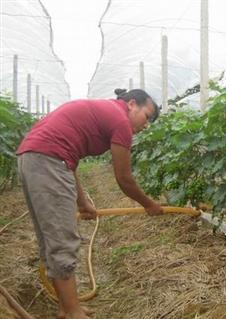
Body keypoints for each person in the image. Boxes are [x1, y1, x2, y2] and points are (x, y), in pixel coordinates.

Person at [16, 88, 164, 319]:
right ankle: (73, 312)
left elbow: (69, 161)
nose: (146, 125)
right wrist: (149, 204)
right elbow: (124, 178)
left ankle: (66, 307)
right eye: (147, 117)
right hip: (47, 160)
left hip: (35, 157)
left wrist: (82, 203)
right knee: (62, 239)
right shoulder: (120, 121)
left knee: (52, 238)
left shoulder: (104, 112)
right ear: (132, 104)